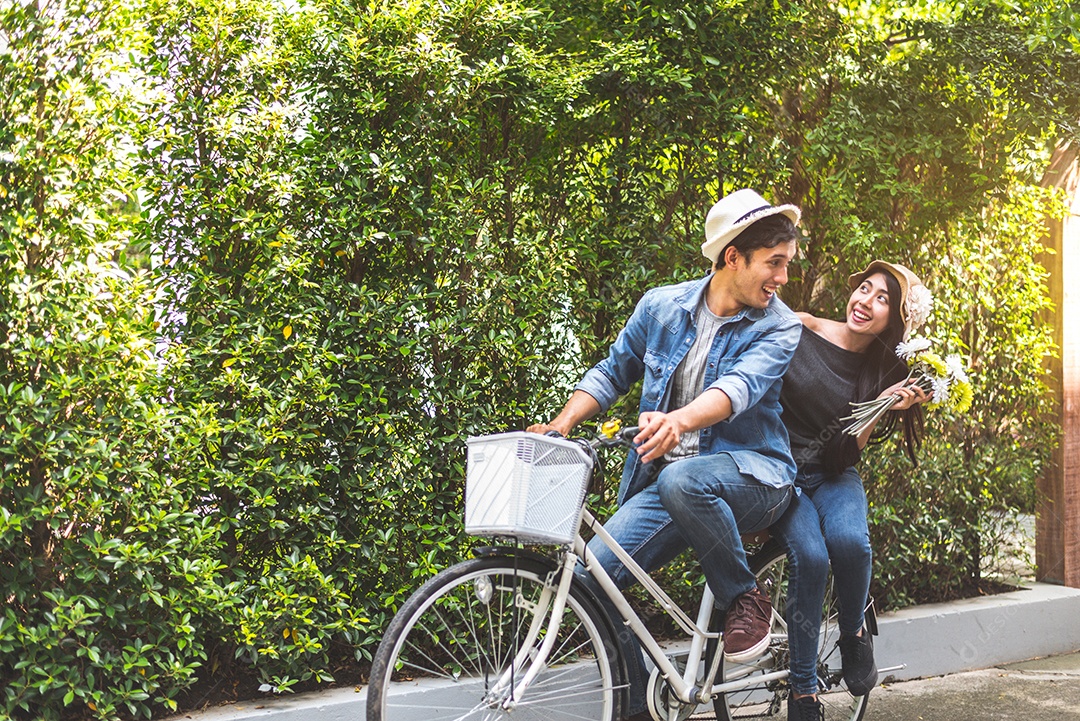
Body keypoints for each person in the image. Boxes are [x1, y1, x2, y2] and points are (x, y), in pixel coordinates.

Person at [528, 188, 803, 721]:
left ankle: (745, 598)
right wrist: (563, 423)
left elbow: (740, 388)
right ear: (733, 257)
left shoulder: (780, 325)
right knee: (594, 583)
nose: (783, 278)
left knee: (685, 481)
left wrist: (678, 420)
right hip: (672, 485)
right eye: (775, 263)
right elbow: (613, 370)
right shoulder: (662, 306)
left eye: (787, 264)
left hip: (755, 476)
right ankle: (637, 704)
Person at [772, 260, 931, 721]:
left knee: (849, 542)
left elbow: (845, 451)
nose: (866, 302)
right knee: (811, 558)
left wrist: (885, 403)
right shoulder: (800, 327)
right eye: (865, 289)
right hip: (783, 474)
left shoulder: (882, 372)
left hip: (833, 474)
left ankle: (853, 632)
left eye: (883, 299)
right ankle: (803, 694)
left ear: (893, 320)